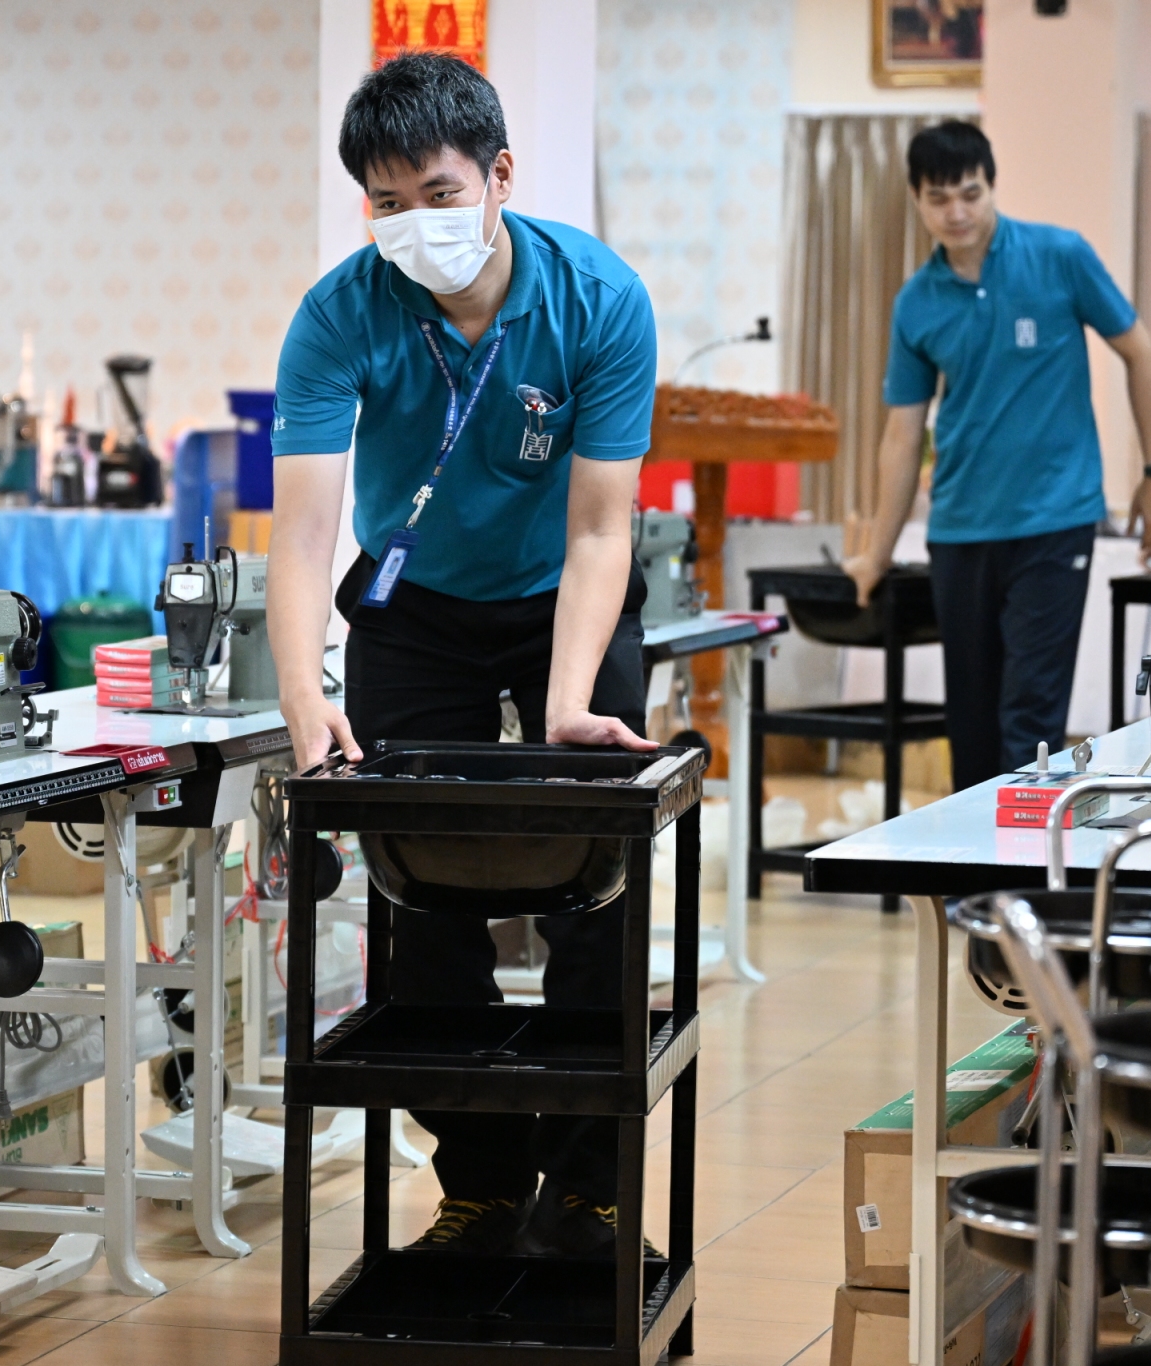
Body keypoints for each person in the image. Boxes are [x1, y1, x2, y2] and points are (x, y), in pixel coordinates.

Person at [265, 52, 658, 1258]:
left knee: (597, 889)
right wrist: (302, 697)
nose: (413, 223)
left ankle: (589, 1193)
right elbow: (302, 533)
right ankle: (478, 1185)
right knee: (419, 894)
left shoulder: (597, 299)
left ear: (498, 176)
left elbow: (600, 528)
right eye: (384, 202)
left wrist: (565, 703)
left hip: (563, 600)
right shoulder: (339, 313)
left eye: (437, 193)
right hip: (415, 606)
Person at [842, 121, 1151, 793]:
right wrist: (875, 554)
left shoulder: (1059, 256)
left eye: (971, 193)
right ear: (917, 200)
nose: (957, 212)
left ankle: (1028, 860)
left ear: (992, 186)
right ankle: (978, 863)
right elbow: (902, 434)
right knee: (971, 730)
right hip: (960, 529)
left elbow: (1139, 352)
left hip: (1055, 521)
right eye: (939, 198)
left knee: (1030, 721)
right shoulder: (917, 302)